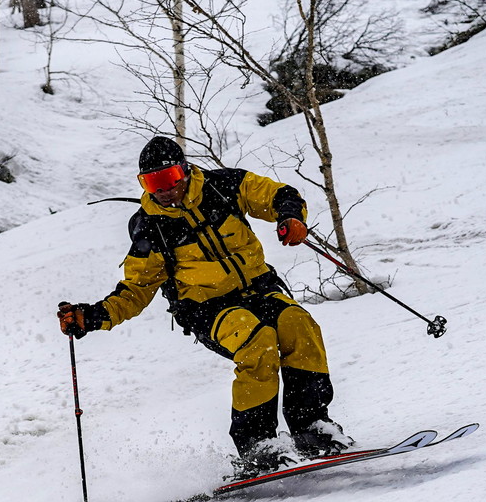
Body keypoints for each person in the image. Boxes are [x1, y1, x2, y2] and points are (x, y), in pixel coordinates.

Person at [57, 135, 352, 478]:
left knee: (299, 327)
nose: (162, 190)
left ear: (184, 171)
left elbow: (277, 194)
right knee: (258, 343)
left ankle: (311, 427)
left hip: (259, 288)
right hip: (207, 308)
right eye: (151, 182)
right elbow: (135, 290)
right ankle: (258, 445)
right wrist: (91, 317)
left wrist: (289, 217)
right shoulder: (150, 227)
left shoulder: (223, 186)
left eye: (167, 179)